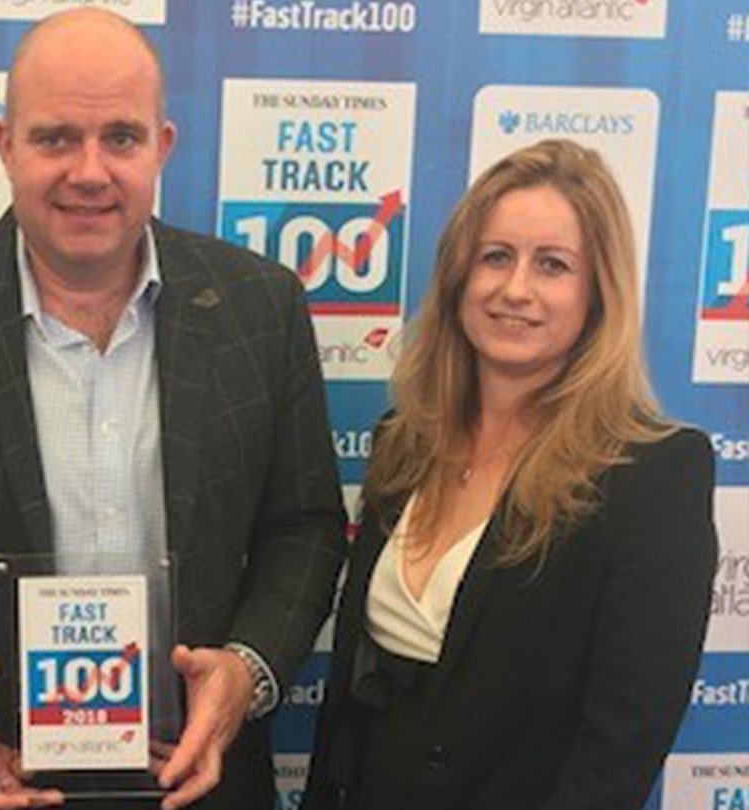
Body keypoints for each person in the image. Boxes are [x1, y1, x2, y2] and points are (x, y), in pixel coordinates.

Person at [0, 8, 344, 810]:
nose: (89, 172)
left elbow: (305, 526)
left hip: (194, 781)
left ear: (162, 146)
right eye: (55, 138)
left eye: (120, 139)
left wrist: (248, 670)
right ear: (5, 145)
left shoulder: (259, 307)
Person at [303, 139, 718, 809]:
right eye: (496, 256)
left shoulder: (655, 474)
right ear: (459, 276)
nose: (515, 288)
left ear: (597, 294)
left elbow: (620, 747)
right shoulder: (403, 444)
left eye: (552, 265)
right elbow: (355, 698)